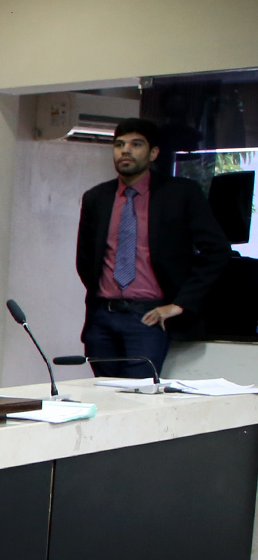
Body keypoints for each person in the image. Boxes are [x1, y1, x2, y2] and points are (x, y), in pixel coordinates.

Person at [74, 117, 229, 377]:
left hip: (149, 316)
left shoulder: (180, 193)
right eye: (119, 145)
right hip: (102, 316)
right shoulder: (96, 197)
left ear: (154, 153)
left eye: (136, 144)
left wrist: (180, 303)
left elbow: (217, 250)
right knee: (103, 393)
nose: (125, 151)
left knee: (138, 392)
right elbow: (86, 258)